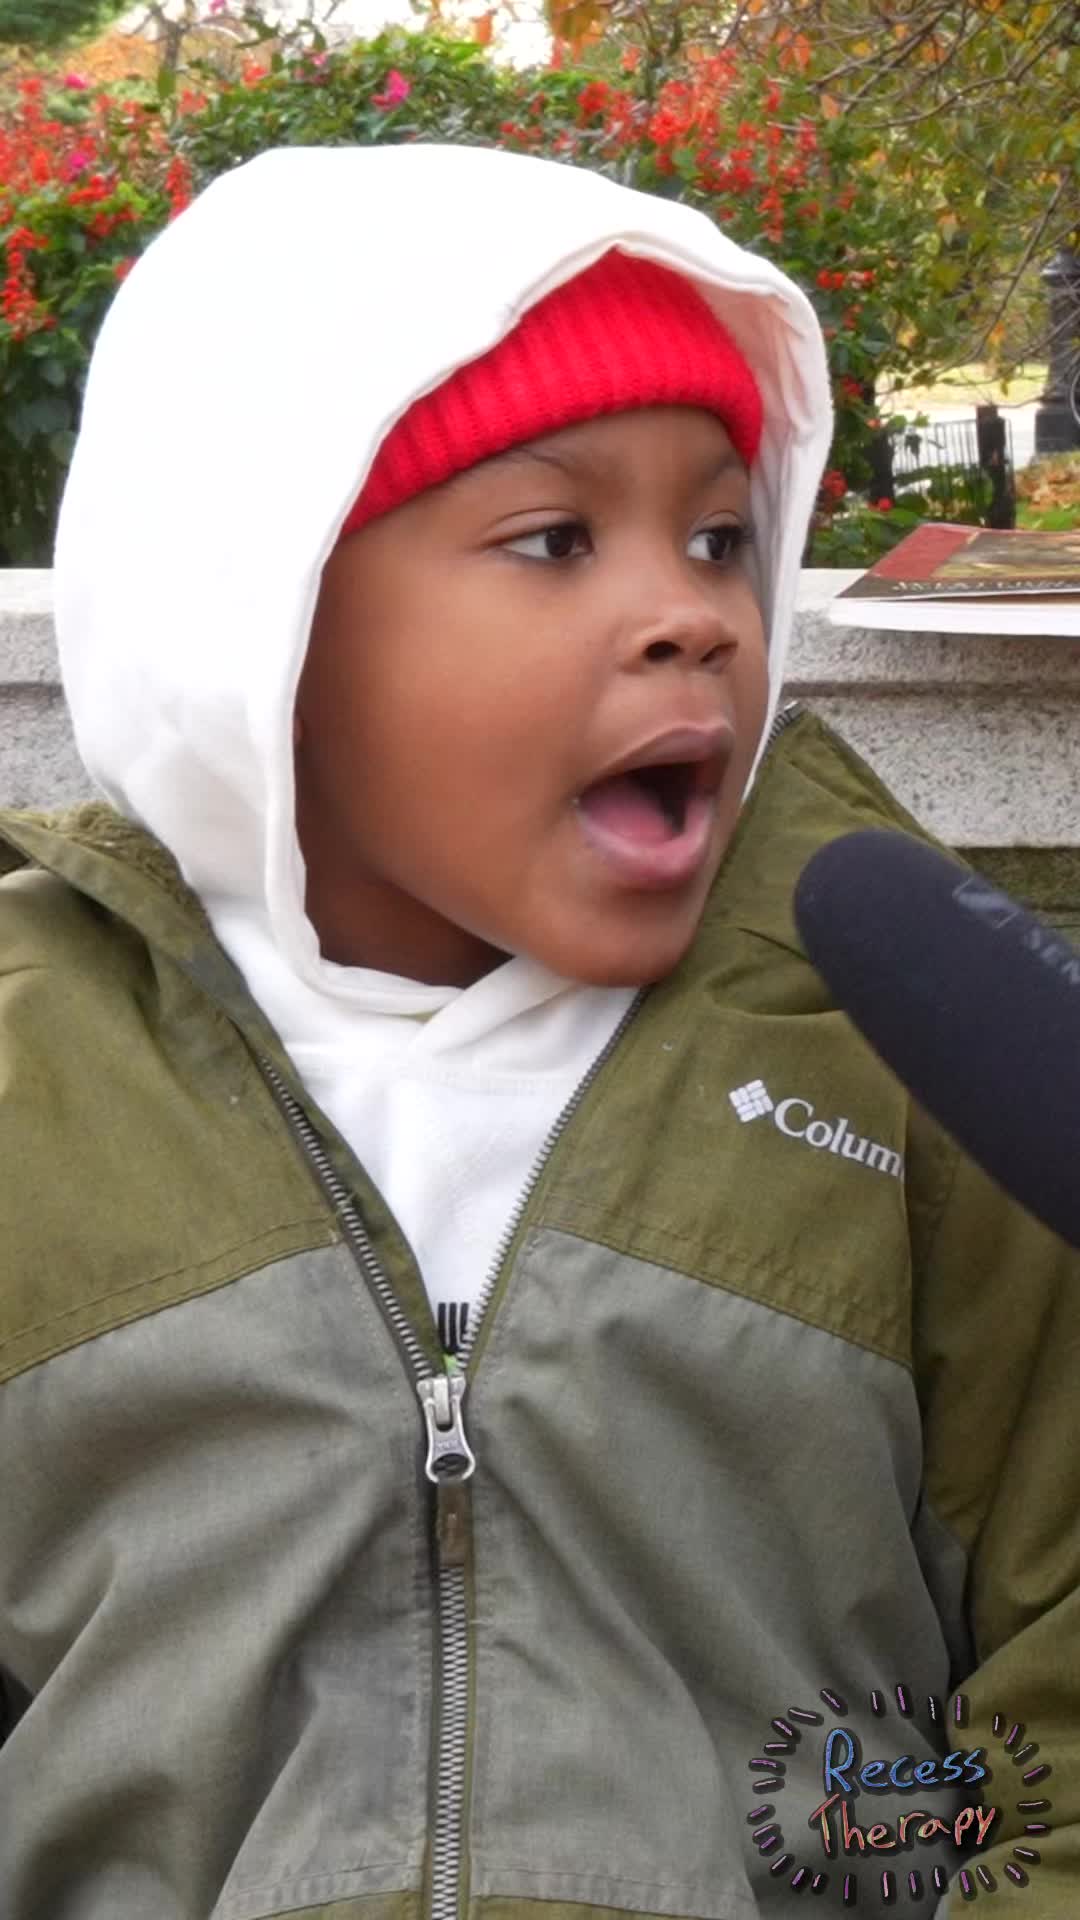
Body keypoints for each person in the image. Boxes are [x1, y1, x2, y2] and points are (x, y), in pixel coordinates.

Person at [0, 142, 1077, 1919]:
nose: (694, 618)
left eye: (721, 538)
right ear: (260, 616)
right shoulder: (34, 1073)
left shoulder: (902, 1062)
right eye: (554, 539)